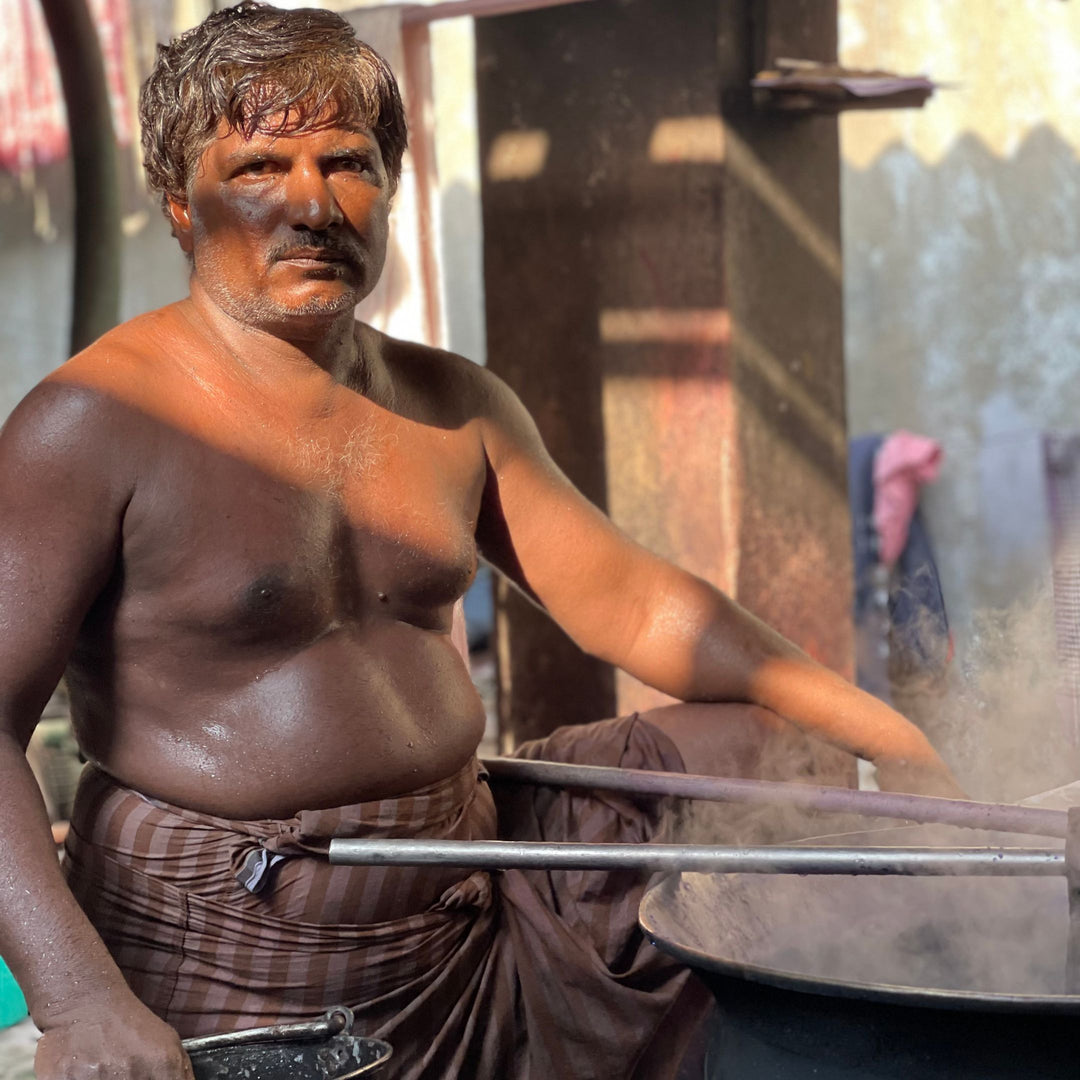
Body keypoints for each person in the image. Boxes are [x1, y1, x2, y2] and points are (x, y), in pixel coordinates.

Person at [0, 4, 961, 1078]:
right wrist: (80, 1003)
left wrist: (885, 733)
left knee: (784, 756)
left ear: (391, 185)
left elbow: (635, 605)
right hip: (239, 954)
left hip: (465, 878)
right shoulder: (88, 425)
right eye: (262, 165)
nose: (314, 205)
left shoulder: (452, 402)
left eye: (349, 163)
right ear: (181, 204)